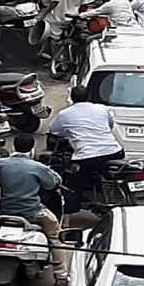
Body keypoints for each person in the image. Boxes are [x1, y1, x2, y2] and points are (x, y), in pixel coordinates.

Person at [0, 134, 69, 286]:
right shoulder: (37, 167)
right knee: (55, 237)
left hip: (5, 212)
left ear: (14, 146)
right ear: (32, 148)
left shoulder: (0, 164)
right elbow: (53, 183)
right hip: (33, 212)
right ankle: (61, 276)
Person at [48, 86, 124, 216]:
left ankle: (68, 215)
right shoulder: (102, 108)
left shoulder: (64, 114)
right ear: (89, 96)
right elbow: (110, 125)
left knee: (72, 184)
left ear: (71, 98)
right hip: (115, 151)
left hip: (87, 156)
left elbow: (54, 131)